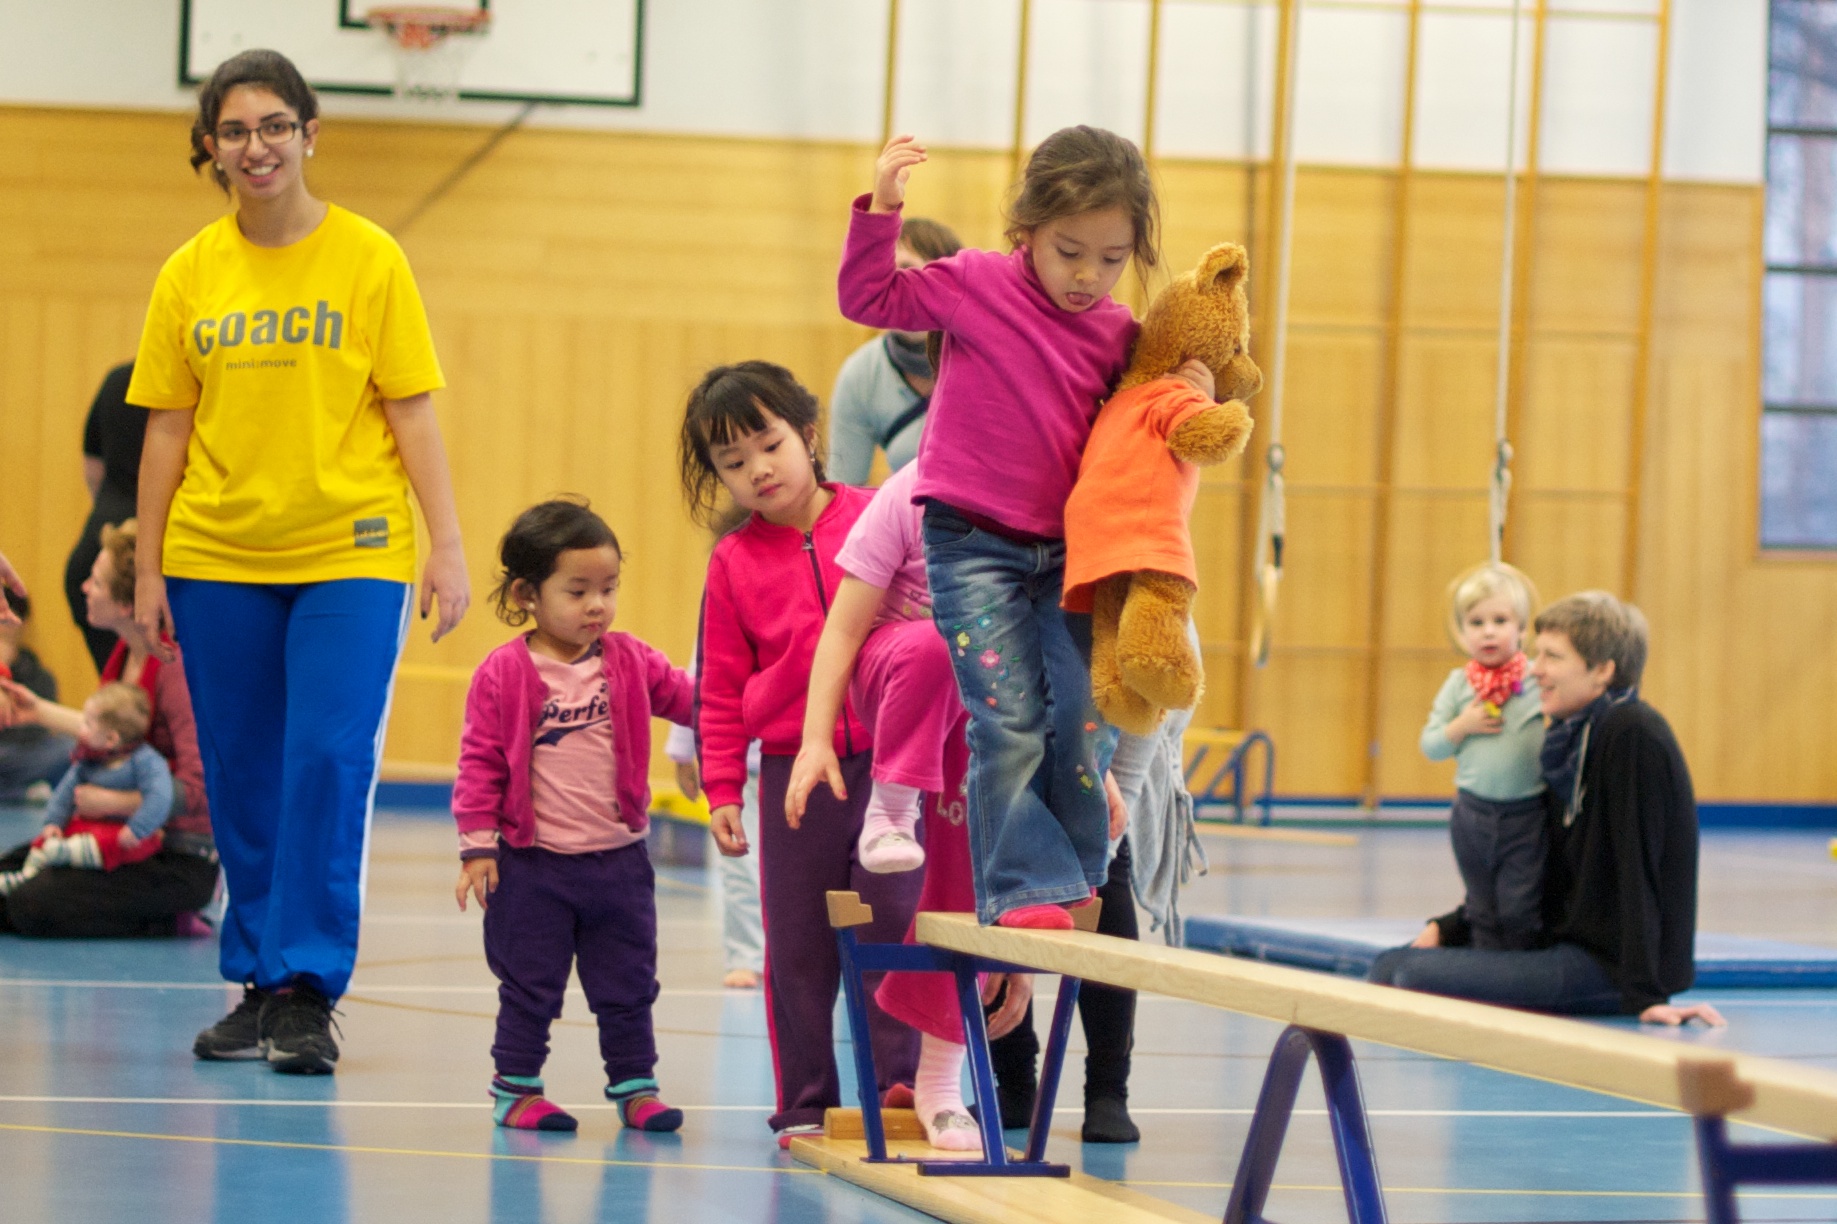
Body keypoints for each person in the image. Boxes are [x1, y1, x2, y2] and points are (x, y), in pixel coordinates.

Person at [128, 49, 469, 1075]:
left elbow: (412, 410)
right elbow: (164, 431)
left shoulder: (369, 259)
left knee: (325, 757)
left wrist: (446, 545)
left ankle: (307, 986)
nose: (257, 146)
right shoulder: (189, 273)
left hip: (350, 549)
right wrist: (148, 568)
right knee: (242, 771)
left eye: (275, 125)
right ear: (211, 148)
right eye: (235, 131)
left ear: (310, 135)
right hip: (217, 555)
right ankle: (259, 981)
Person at [838, 127, 1156, 929]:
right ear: (1026, 231)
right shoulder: (974, 283)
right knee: (1008, 718)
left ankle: (1074, 872)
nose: (1087, 276)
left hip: (1067, 552)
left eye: (1112, 258)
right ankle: (1020, 887)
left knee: (1083, 714)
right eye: (1068, 251)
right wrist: (882, 208)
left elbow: (1150, 412)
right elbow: (867, 300)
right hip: (973, 545)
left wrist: (1188, 381)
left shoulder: (1116, 332)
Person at [679, 360, 920, 1145]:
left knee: (893, 926)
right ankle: (807, 1101)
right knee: (798, 948)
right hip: (793, 776)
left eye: (769, 444)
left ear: (808, 435)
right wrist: (721, 789)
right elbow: (719, 690)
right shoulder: (732, 562)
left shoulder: (877, 515)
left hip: (892, 767)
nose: (757, 469)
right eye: (732, 461)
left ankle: (900, 1089)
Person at [1371, 592, 1725, 1027]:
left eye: (1552, 657)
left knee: (1407, 975)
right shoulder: (1568, 739)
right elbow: (1538, 861)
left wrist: (1645, 996)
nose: (1534, 669)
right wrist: (1450, 928)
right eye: (1537, 654)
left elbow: (1640, 868)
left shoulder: (1631, 734)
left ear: (1602, 670)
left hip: (1606, 966)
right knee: (1389, 966)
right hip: (1563, 944)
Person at [453, 499, 692, 1134]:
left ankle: (636, 1087)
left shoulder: (630, 660)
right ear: (527, 594)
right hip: (534, 868)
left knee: (629, 982)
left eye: (608, 589)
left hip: (619, 861)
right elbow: (479, 763)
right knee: (530, 984)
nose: (597, 606)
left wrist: (758, 703)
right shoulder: (504, 673)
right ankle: (516, 1089)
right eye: (578, 590)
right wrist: (478, 847)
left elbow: (692, 699)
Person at [0, 521, 218, 939]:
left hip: (176, 856)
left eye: (96, 582)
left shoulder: (173, 666)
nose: (84, 588)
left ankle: (167, 919)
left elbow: (200, 787)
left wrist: (116, 801)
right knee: (11, 872)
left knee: (32, 903)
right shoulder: (125, 654)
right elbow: (107, 738)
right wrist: (38, 711)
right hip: (121, 839)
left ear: (124, 605)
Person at [1419, 562, 1547, 951]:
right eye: (1476, 622)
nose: (1488, 631)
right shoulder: (1459, 686)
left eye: (1500, 620)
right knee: (1482, 907)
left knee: (1520, 906)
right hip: (1472, 815)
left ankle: (1521, 971)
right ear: (1462, 632)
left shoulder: (1536, 680)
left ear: (1522, 629)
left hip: (1526, 815)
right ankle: (1485, 969)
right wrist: (1462, 726)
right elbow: (1431, 745)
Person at [826, 218, 962, 484]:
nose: (893, 285)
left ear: (949, 279)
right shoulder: (861, 373)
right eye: (886, 274)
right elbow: (844, 486)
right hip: (910, 508)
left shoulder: (986, 354)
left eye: (907, 269)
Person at [1, 683, 173, 895]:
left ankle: (61, 855)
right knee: (44, 841)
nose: (80, 729)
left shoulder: (145, 761)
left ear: (111, 738)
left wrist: (138, 828)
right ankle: (26, 875)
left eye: (87, 724)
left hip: (125, 835)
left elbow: (159, 797)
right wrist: (54, 821)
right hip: (89, 827)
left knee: (98, 846)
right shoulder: (89, 760)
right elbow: (65, 793)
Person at [664, 652, 765, 990]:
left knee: (803, 869)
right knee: (740, 864)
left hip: (806, 755)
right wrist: (682, 752)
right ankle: (747, 956)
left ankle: (811, 954)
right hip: (740, 763)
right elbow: (701, 681)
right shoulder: (723, 617)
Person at [65, 362, 147, 673]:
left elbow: (93, 468)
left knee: (124, 686)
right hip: (136, 558)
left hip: (97, 546)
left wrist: (109, 521)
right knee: (140, 685)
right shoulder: (188, 381)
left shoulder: (119, 379)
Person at [0, 591, 76, 803]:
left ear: (22, 624)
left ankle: (14, 791)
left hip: (23, 753)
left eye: (7, 622)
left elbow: (39, 731)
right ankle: (19, 793)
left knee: (67, 747)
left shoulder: (37, 673)